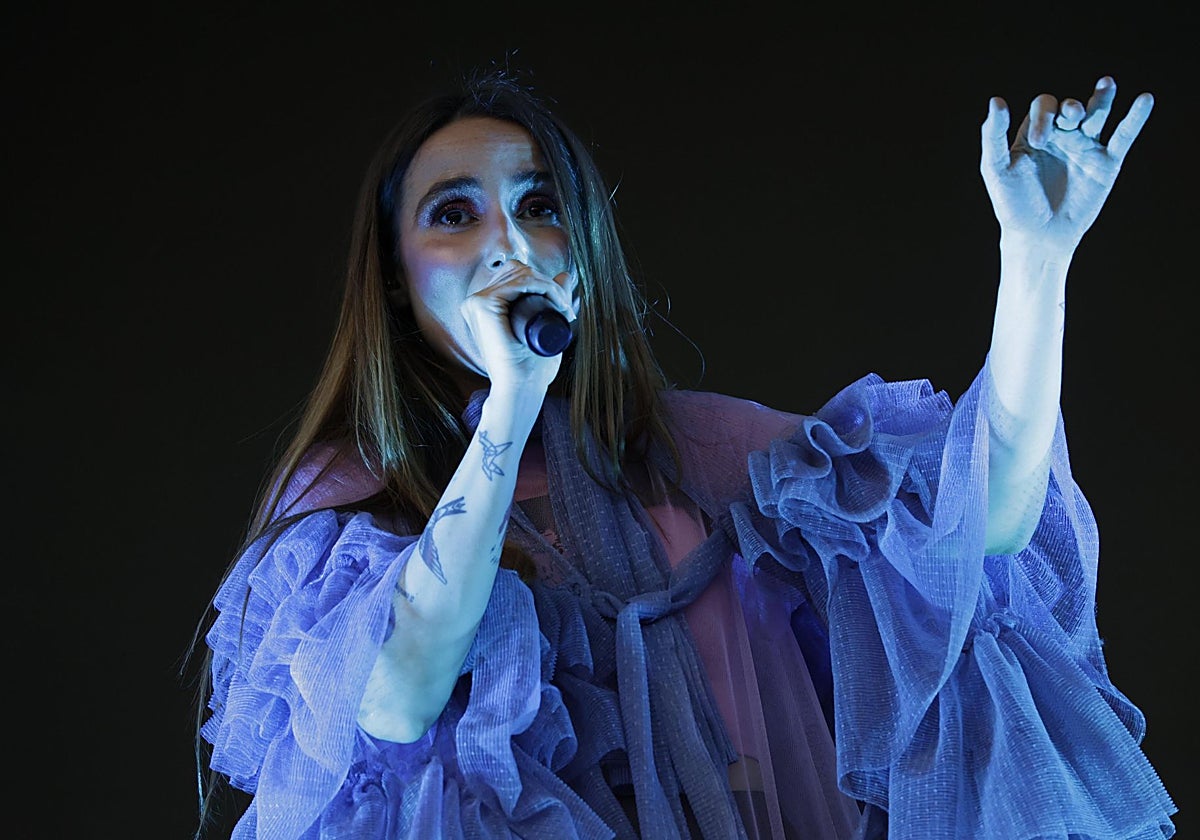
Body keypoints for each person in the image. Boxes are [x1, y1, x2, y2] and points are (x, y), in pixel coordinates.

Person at [189, 67, 1177, 839]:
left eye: (539, 206)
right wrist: (513, 394)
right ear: (398, 278)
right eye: (455, 212)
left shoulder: (684, 448)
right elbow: (398, 693)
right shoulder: (346, 490)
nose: (510, 242)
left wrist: (1036, 261)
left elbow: (981, 526)